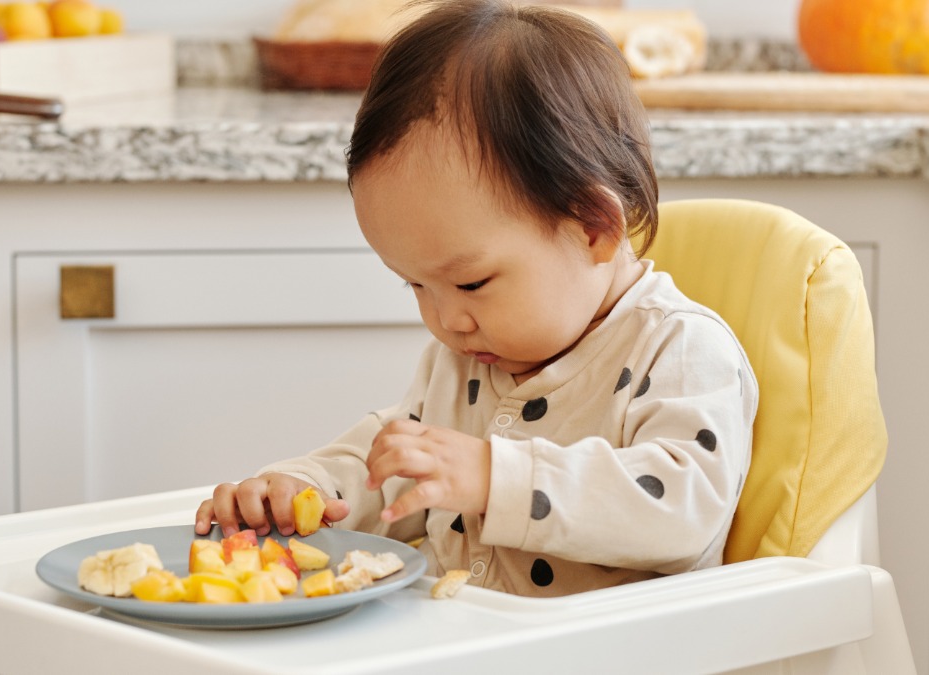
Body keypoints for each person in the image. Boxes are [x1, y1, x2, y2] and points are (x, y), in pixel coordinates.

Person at [195, 0, 758, 597]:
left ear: (593, 228)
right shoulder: (469, 353)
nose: (444, 320)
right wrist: (298, 490)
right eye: (415, 285)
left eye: (470, 284)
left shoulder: (679, 348)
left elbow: (683, 508)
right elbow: (392, 465)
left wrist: (497, 477)